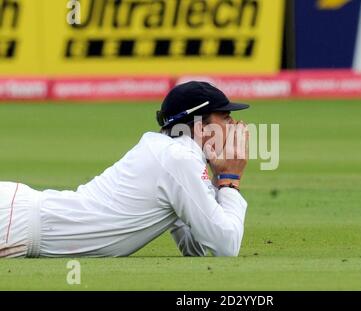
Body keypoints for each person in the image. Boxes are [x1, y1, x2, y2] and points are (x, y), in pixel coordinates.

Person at [0, 81, 250, 258]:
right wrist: (230, 180)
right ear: (200, 125)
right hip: (14, 224)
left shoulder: (174, 154)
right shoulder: (178, 158)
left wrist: (218, 181)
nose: (235, 127)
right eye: (226, 119)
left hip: (17, 219)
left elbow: (196, 247)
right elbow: (225, 245)